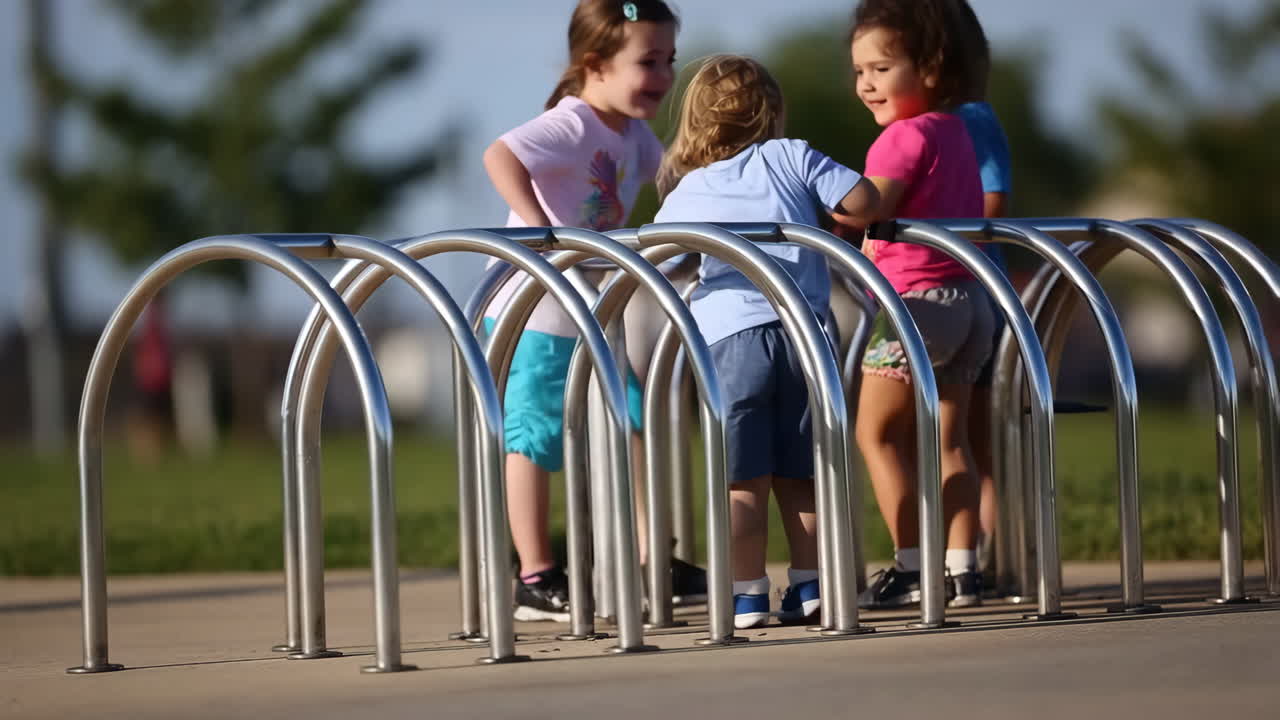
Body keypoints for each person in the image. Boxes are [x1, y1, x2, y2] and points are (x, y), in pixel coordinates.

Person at [481, 0, 701, 622]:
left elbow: (675, 187)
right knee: (533, 435)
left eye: (669, 61)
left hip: (592, 309)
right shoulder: (574, 122)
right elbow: (501, 154)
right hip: (537, 309)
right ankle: (533, 574)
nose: (662, 75)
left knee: (632, 419)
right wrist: (541, 230)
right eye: (647, 62)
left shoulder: (635, 135)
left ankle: (647, 556)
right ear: (594, 65)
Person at [654, 55, 880, 628]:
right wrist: (836, 225)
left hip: (732, 341)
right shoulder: (790, 154)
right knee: (802, 475)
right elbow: (864, 201)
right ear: (772, 114)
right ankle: (811, 588)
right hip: (807, 337)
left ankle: (747, 592)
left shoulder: (689, 190)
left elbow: (662, 260)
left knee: (741, 480)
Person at [838, 0, 992, 609]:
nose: (866, 84)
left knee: (876, 433)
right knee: (949, 439)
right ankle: (962, 567)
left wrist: (827, 203)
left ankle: (910, 564)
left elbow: (870, 203)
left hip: (915, 306)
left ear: (929, 68)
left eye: (880, 68)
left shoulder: (901, 138)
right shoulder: (955, 132)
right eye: (859, 72)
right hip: (968, 301)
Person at [949, 0, 1013, 572]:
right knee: (959, 436)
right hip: (962, 292)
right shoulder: (923, 123)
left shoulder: (970, 117)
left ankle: (982, 555)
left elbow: (993, 200)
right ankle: (972, 555)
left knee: (971, 436)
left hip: (964, 289)